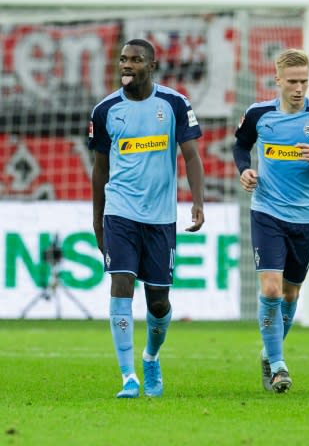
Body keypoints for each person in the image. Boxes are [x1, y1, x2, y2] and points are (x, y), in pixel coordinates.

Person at [88, 39, 204, 398]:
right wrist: (97, 220)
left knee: (158, 302)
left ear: (151, 66)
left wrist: (197, 202)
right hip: (119, 212)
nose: (127, 65)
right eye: (123, 59)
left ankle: (150, 357)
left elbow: (191, 156)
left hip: (160, 217)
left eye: (136, 60)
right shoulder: (105, 110)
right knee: (121, 285)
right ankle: (128, 377)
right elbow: (100, 169)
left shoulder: (173, 104)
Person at [233, 48, 309, 393]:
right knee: (270, 287)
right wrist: (245, 170)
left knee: (290, 293)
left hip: (307, 216)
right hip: (267, 210)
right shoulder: (258, 114)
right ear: (278, 81)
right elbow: (241, 147)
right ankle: (279, 365)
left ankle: (269, 353)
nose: (299, 88)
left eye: (304, 81)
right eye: (292, 82)